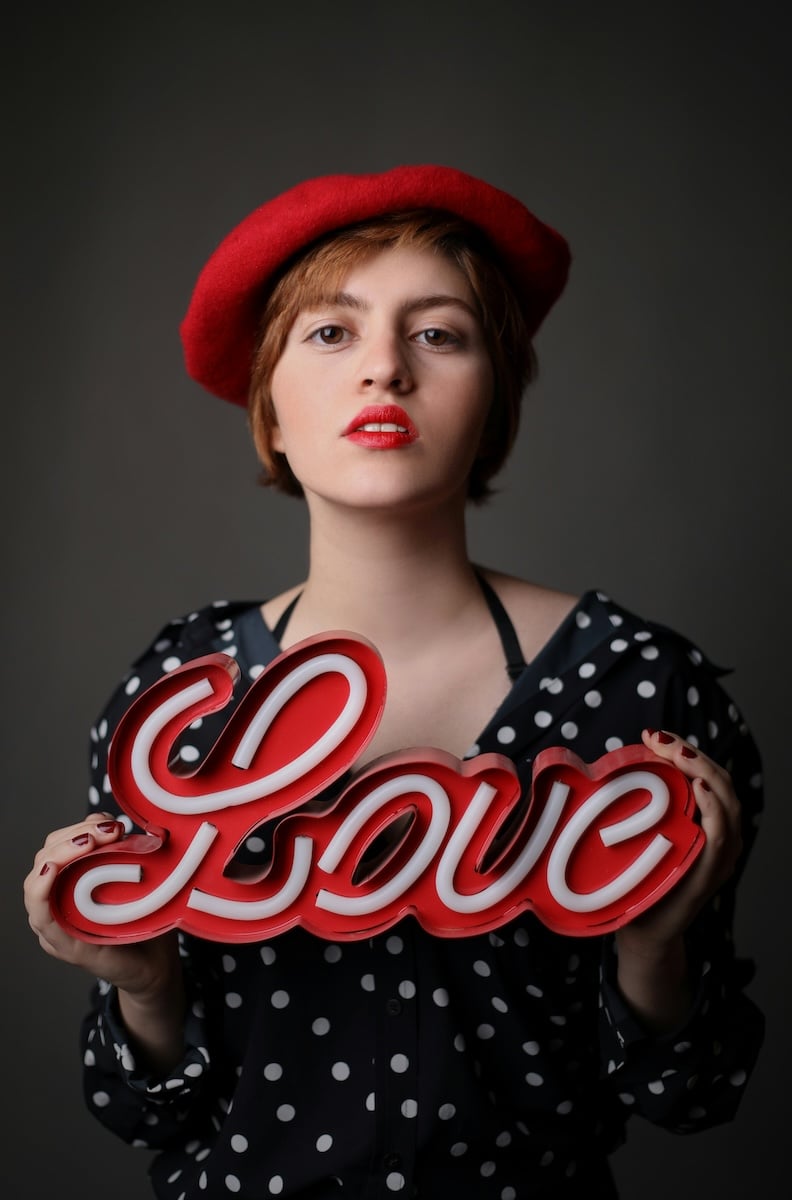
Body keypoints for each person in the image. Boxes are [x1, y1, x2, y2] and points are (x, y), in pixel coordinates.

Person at [24, 165, 764, 1199]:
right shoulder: (180, 698)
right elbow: (139, 1110)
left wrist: (655, 956)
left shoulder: (642, 690)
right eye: (331, 333)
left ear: (495, 396)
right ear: (269, 411)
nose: (385, 370)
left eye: (439, 334)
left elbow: (699, 1095)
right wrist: (146, 988)